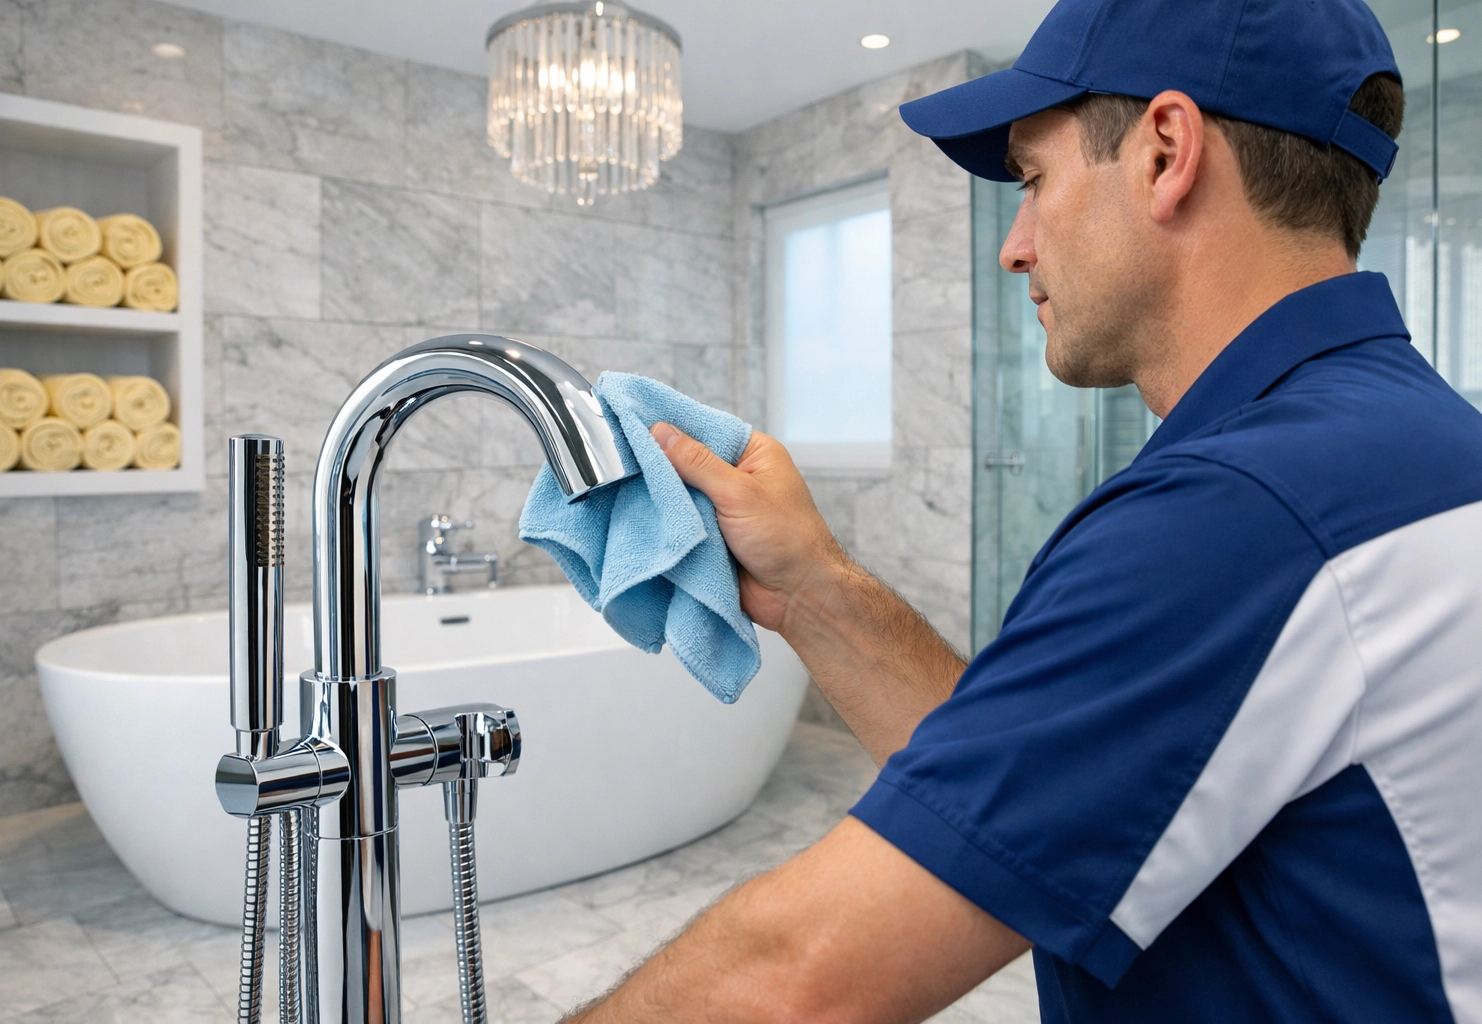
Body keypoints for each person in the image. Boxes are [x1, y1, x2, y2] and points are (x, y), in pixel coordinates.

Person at [562, 0, 1482, 1020]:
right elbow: (1045, 798)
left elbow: (795, 981)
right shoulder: (1420, 444)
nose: (1015, 245)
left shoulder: (1240, 512)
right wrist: (810, 586)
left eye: (1035, 180)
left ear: (1166, 152)